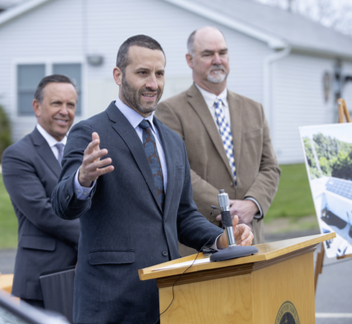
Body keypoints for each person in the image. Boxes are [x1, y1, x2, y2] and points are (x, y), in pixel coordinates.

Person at [51, 35, 254, 324]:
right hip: (111, 303)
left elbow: (183, 216)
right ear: (118, 76)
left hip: (170, 298)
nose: (153, 83)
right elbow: (62, 204)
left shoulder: (172, 141)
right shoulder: (90, 132)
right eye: (143, 73)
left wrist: (221, 239)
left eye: (159, 74)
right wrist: (82, 179)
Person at [156, 27, 281, 255]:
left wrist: (252, 204)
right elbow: (177, 172)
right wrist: (229, 211)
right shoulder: (170, 112)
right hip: (202, 244)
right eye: (207, 54)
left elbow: (270, 167)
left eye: (222, 53)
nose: (217, 60)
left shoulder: (255, 110)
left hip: (252, 238)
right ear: (189, 59)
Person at [2, 74, 80, 308]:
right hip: (42, 278)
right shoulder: (18, 155)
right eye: (57, 103)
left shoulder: (80, 152)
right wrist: (95, 238)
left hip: (84, 275)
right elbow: (44, 211)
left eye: (71, 105)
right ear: (37, 107)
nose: (64, 111)